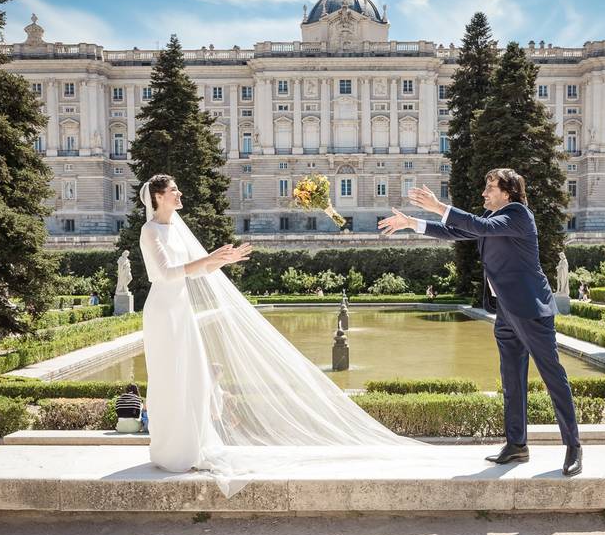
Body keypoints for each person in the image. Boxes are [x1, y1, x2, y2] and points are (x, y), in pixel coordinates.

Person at [137, 174, 427, 497]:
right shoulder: (150, 231)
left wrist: (221, 261)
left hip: (181, 310)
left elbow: (197, 271)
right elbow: (164, 274)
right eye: (174, 190)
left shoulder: (176, 227)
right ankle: (168, 450)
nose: (179, 193)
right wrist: (207, 259)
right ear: (159, 197)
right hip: (163, 313)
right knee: (168, 379)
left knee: (194, 378)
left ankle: (188, 448)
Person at [378, 168, 583, 476]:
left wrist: (438, 206)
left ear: (508, 193)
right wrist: (412, 223)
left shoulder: (518, 215)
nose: (484, 193)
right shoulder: (493, 223)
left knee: (553, 377)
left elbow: (473, 224)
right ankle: (517, 445)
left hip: (530, 310)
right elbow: (456, 231)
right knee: (511, 380)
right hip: (506, 311)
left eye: (491, 188)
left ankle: (573, 446)